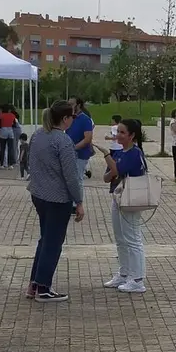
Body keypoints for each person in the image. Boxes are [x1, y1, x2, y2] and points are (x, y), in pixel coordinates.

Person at [24, 102, 86, 302]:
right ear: (66, 119)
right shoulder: (63, 141)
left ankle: (34, 283)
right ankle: (43, 288)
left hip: (39, 194)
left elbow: (29, 163)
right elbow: (71, 176)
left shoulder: (38, 135)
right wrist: (79, 201)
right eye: (72, 117)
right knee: (53, 242)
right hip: (57, 198)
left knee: (45, 239)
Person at [102, 118, 148, 293]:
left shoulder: (135, 153)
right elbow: (108, 177)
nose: (118, 136)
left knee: (132, 238)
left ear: (132, 135)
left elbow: (117, 171)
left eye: (122, 132)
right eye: (117, 132)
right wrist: (111, 165)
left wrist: (107, 155)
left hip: (131, 199)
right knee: (120, 238)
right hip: (117, 196)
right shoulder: (120, 152)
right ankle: (124, 273)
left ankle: (137, 279)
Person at [67, 97, 95, 180]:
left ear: (78, 105)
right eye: (68, 104)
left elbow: (87, 139)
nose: (69, 106)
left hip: (80, 155)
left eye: (71, 104)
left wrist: (74, 148)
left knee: (77, 180)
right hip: (70, 154)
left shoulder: (85, 119)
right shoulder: (70, 118)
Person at [0, 105, 18, 169]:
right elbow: (14, 124)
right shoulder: (12, 115)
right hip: (10, 131)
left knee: (2, 148)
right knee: (10, 148)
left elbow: (0, 125)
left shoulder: (1, 116)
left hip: (3, 131)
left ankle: (2, 164)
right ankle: (10, 164)